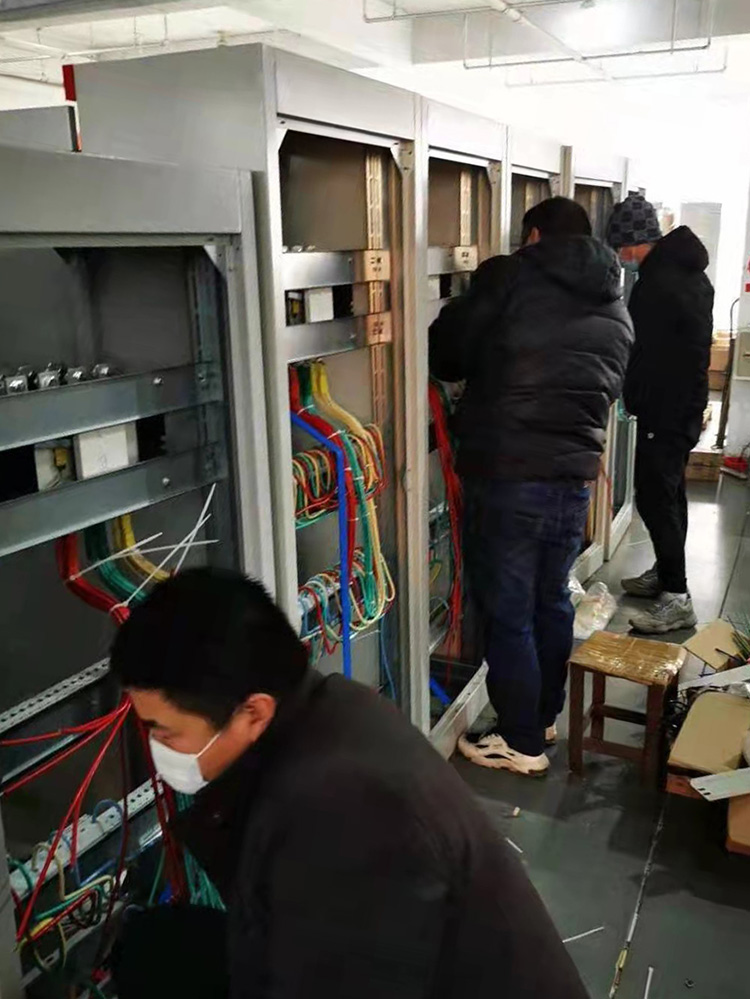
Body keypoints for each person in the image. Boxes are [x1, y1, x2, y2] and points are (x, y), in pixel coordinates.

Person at [109, 568, 591, 999]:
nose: (156, 746)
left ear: (253, 712)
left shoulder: (342, 812)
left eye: (163, 731)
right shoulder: (326, 712)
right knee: (160, 948)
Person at [429, 197, 632, 776]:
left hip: (508, 474)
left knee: (508, 611)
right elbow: (608, 385)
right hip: (572, 478)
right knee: (550, 601)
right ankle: (541, 717)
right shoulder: (615, 303)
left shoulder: (509, 277)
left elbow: (447, 354)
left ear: (535, 235)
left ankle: (520, 741)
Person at [606, 194, 714, 634]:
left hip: (666, 409)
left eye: (620, 245)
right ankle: (667, 572)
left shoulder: (659, 283)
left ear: (636, 241)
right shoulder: (685, 272)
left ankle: (677, 597)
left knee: (654, 496)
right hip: (682, 405)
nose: (619, 254)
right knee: (671, 493)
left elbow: (646, 352)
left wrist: (632, 394)